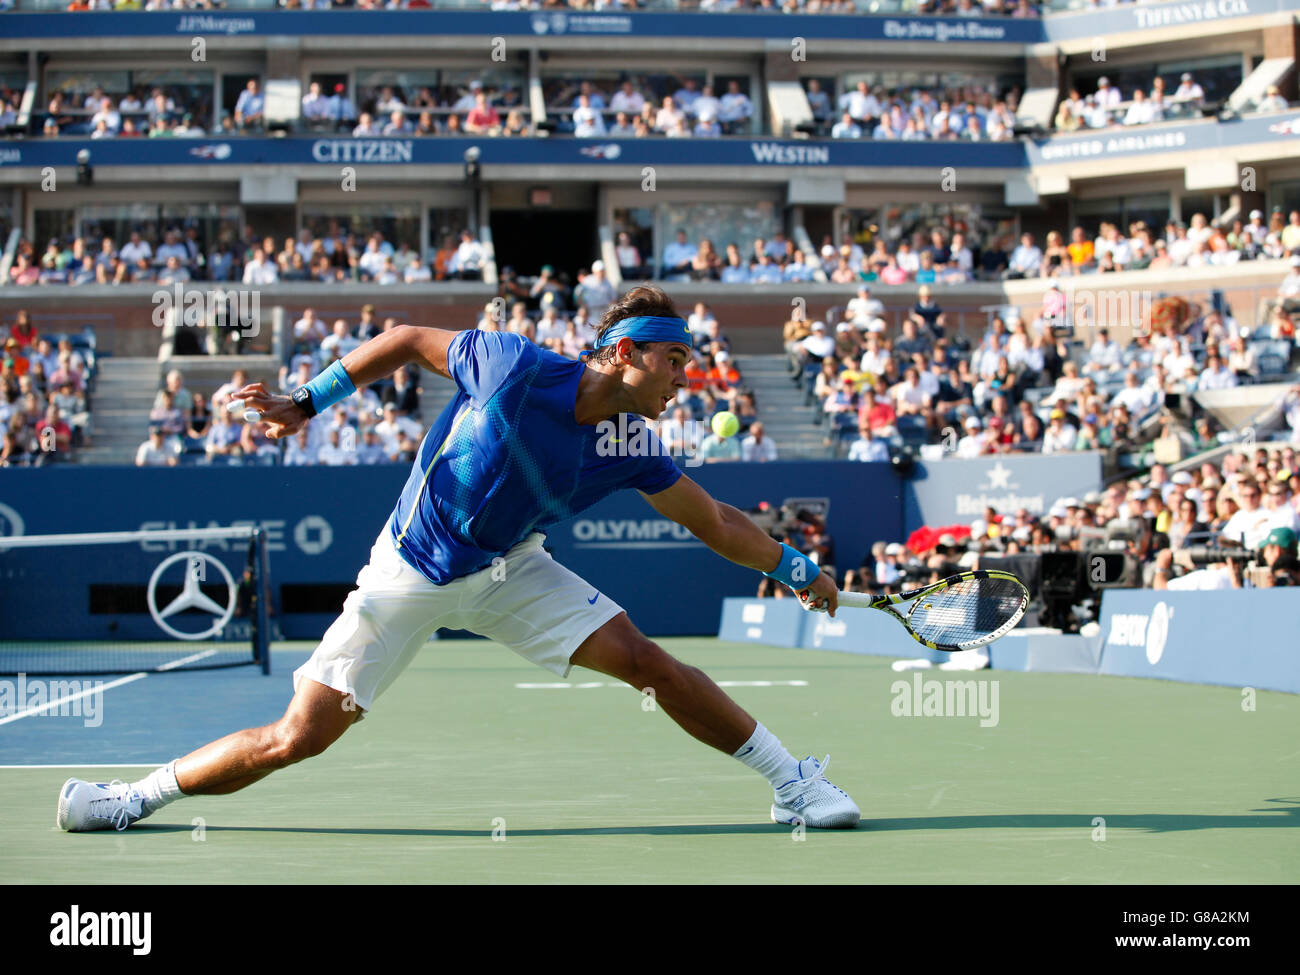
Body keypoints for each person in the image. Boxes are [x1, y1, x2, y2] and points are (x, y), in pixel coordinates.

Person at [58, 286, 859, 834]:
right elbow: (405, 340)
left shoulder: (632, 445)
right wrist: (305, 403)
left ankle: (796, 783)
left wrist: (796, 568)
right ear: (622, 352)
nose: (687, 377)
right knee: (296, 736)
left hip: (512, 569)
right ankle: (131, 796)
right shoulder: (513, 366)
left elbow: (714, 519)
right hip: (409, 568)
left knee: (651, 662)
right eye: (674, 360)